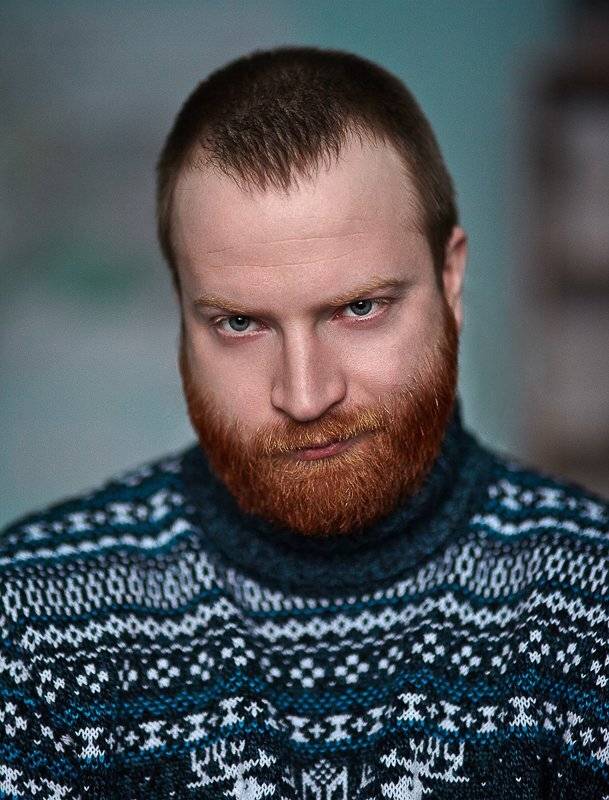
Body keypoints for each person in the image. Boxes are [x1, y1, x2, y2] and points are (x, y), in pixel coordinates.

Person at [1, 46, 608, 800]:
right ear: (182, 313)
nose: (305, 393)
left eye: (360, 308)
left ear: (450, 280)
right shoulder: (32, 626)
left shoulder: (591, 605)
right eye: (239, 323)